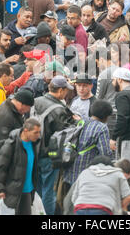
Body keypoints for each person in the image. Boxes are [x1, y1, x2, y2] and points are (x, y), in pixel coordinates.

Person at [33, 76, 78, 215]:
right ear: (60, 91)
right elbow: (66, 132)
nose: (67, 94)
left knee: (39, 186)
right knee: (49, 190)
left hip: (33, 151)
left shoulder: (36, 101)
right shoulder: (58, 109)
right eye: (66, 91)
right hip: (49, 155)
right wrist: (75, 121)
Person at [0, 89, 34, 196]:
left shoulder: (12, 110)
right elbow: (2, 145)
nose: (27, 111)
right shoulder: (5, 116)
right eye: (27, 108)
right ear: (21, 104)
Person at [0, 118, 41, 215]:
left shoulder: (34, 144)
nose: (38, 135)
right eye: (36, 132)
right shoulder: (10, 145)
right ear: (26, 131)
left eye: (39, 132)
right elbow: (1, 168)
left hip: (27, 191)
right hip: (11, 193)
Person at [64, 100, 113, 188]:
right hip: (87, 173)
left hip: (70, 171)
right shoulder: (102, 128)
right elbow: (105, 153)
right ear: (106, 116)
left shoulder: (82, 122)